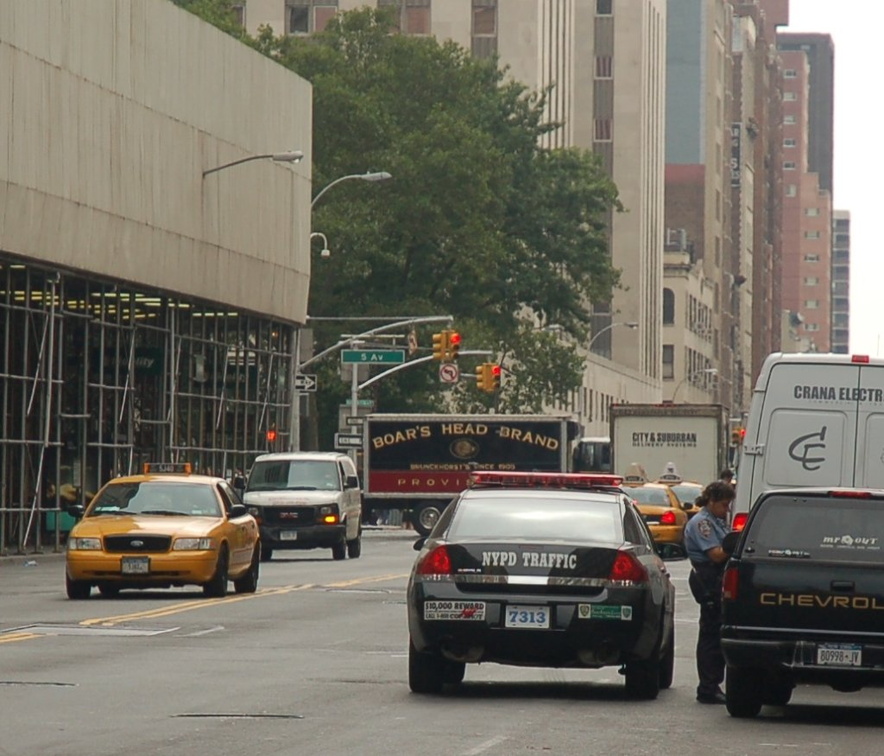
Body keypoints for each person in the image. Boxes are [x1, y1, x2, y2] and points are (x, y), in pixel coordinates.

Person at [683, 479, 735, 704]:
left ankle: (713, 683)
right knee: (710, 635)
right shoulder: (702, 522)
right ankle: (707, 686)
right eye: (724, 504)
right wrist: (735, 544)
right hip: (707, 578)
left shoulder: (717, 520)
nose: (727, 509)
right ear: (712, 501)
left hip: (717, 577)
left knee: (718, 632)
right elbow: (715, 554)